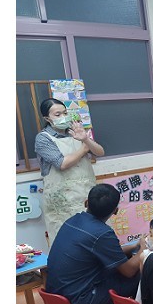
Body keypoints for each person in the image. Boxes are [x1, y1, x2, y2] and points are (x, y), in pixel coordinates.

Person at [46, 183, 144, 304]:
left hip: (56, 299)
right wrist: (144, 249)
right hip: (80, 303)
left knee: (117, 268)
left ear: (86, 202)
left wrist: (133, 247)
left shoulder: (72, 221)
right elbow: (129, 271)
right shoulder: (102, 233)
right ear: (115, 211)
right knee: (143, 273)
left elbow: (109, 253)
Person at [35, 98, 105, 246]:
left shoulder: (76, 132)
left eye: (65, 113)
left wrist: (86, 139)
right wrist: (84, 149)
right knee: (68, 243)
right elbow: (62, 163)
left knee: (95, 238)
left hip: (87, 195)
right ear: (47, 119)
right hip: (63, 202)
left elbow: (100, 152)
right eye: (58, 114)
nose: (63, 117)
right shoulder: (43, 139)